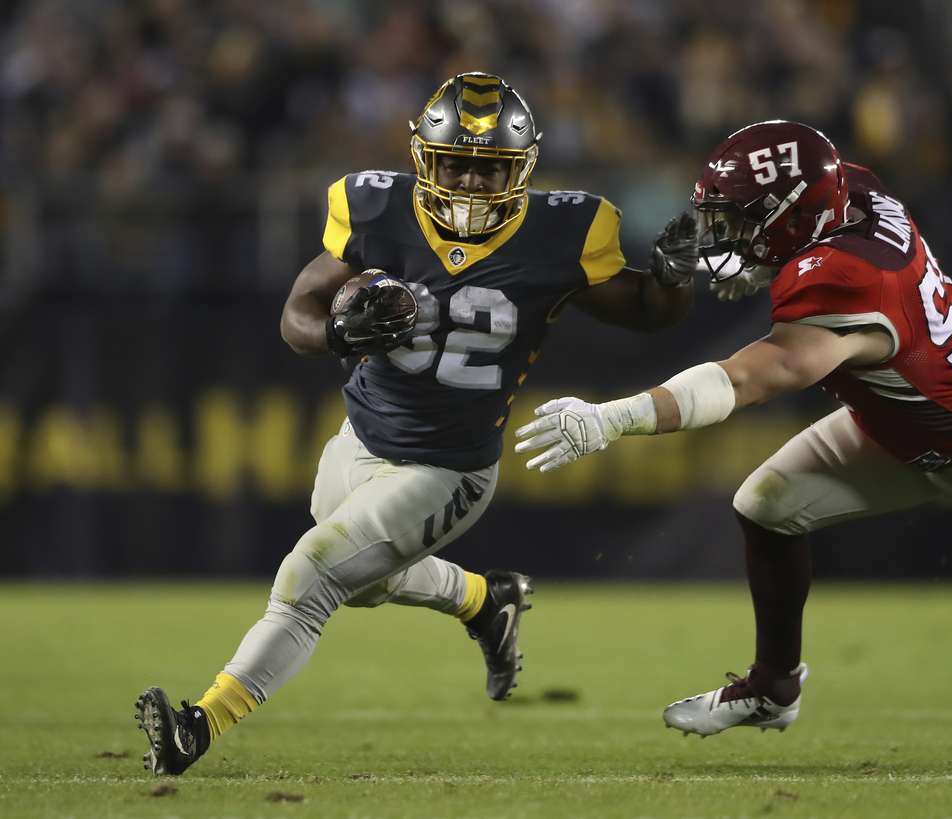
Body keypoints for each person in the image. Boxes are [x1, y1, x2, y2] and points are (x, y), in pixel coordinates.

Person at [514, 120, 952, 736]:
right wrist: (769, 257)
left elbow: (746, 378)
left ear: (795, 218)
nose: (724, 237)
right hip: (898, 422)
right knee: (766, 505)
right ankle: (773, 686)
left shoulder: (847, 275)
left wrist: (615, 417)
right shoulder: (850, 192)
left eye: (740, 221)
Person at [134, 72, 696, 774]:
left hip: (448, 467)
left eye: (486, 168)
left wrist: (674, 276)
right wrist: (339, 333)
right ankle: (485, 599)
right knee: (364, 578)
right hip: (358, 439)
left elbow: (645, 311)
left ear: (520, 170)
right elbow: (298, 312)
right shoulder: (375, 208)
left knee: (313, 572)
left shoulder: (564, 232)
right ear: (422, 158)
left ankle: (199, 724)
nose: (465, 180)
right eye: (454, 161)